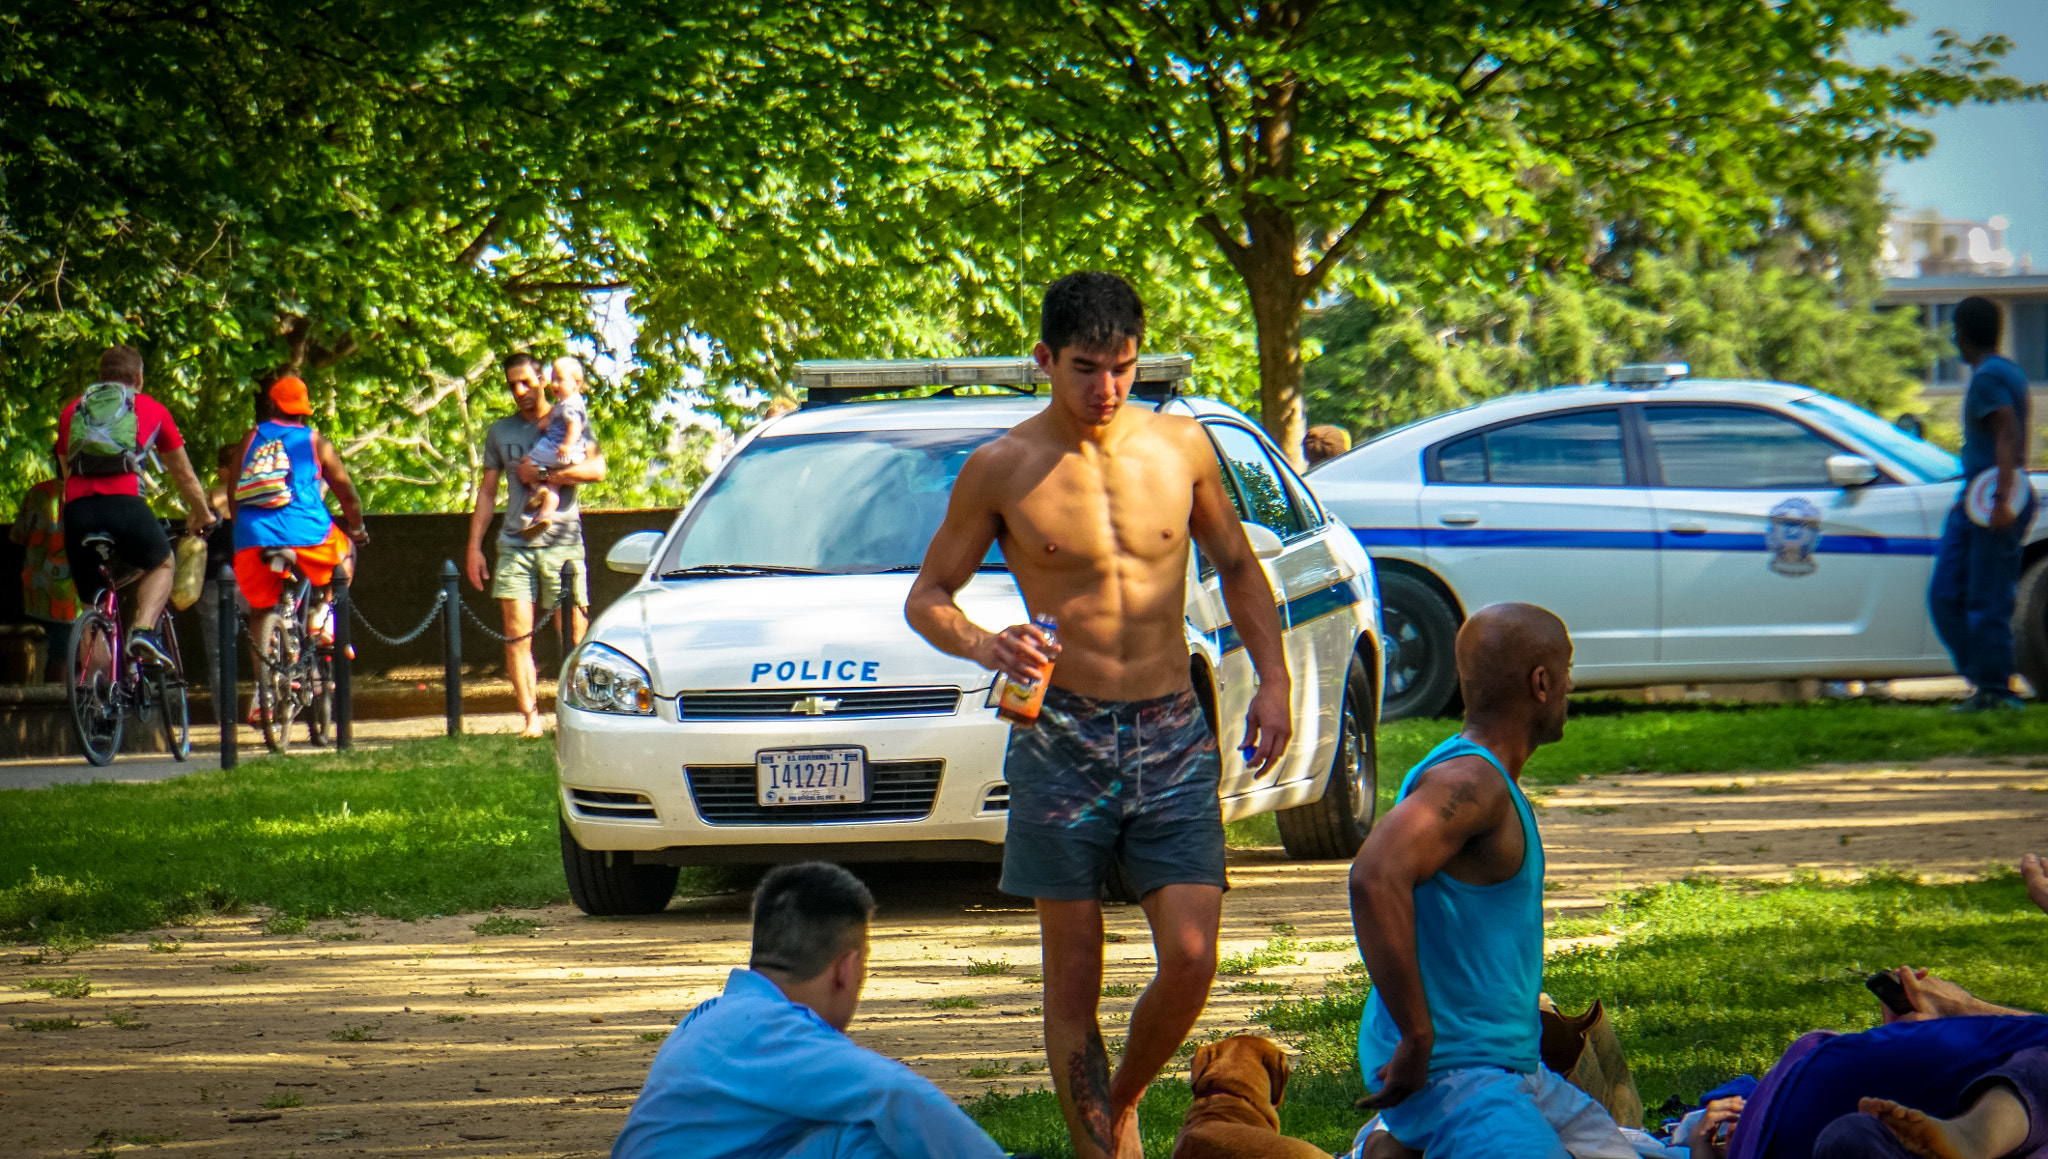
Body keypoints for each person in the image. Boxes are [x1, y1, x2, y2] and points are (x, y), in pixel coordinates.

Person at [906, 271, 1293, 1159]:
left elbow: (1236, 564)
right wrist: (982, 642)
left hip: (1169, 727)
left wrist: (1270, 679)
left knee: (1192, 954)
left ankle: (1117, 1104)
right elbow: (928, 596)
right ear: (1044, 359)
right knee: (1073, 977)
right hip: (1061, 737)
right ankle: (1103, 1149)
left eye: (1122, 366)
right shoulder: (1003, 467)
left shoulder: (1182, 446)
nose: (1106, 388)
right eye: (1085, 367)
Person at [1349, 603, 1639, 1159]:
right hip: (1457, 1074)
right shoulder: (1472, 781)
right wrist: (1416, 1036)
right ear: (1541, 682)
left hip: (1509, 1069)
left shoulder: (1480, 776)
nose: (1571, 684)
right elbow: (1374, 874)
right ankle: (1389, 1145)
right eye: (1567, 669)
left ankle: (1396, 1150)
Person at [611, 862, 1012, 1159]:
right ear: (847, 968)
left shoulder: (719, 1018)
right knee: (864, 1139)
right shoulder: (768, 1029)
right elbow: (894, 1092)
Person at [465, 351, 606, 739]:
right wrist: (474, 545)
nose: (520, 391)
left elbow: (596, 469)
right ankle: (531, 719)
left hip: (563, 542)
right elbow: (488, 490)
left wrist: (544, 472)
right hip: (514, 544)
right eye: (513, 385)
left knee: (575, 633)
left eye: (527, 382)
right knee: (517, 633)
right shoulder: (500, 432)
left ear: (544, 380)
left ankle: (580, 716)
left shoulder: (570, 415)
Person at [54, 344, 216, 665]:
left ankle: (97, 700)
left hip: (77, 513)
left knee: (92, 606)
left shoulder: (72, 411)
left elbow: (66, 475)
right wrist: (202, 514)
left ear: (100, 378)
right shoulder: (150, 408)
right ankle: (143, 630)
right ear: (139, 378)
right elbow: (184, 475)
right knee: (162, 563)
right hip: (124, 507)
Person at [1930, 296, 2035, 713]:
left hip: (1993, 500)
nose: (1953, 338)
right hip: (1977, 497)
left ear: (1962, 333)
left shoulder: (1989, 377)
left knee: (1986, 597)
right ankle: (1988, 682)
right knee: (1947, 595)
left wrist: (2001, 499)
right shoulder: (2003, 370)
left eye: (1954, 330)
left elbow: (2007, 432)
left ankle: (1995, 690)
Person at [228, 375, 368, 650]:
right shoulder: (315, 441)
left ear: (273, 405)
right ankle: (322, 618)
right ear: (304, 409)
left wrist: (243, 531)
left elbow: (235, 493)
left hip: (252, 533)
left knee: (261, 611)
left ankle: (265, 688)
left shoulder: (250, 438)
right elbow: (347, 494)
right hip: (307, 532)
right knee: (347, 551)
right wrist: (357, 527)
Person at [11, 453, 78, 681]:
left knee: (57, 649)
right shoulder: (85, 494)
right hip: (68, 591)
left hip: (35, 589)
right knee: (62, 651)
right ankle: (53, 705)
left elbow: (18, 535)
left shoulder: (38, 493)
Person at [516, 356, 590, 539]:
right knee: (554, 487)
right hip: (568, 456)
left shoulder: (570, 406)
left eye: (560, 379)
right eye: (553, 379)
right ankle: (545, 516)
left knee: (527, 463)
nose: (554, 384)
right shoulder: (568, 404)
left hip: (558, 450)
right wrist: (546, 422)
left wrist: (567, 445)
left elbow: (574, 427)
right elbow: (557, 420)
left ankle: (538, 488)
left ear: (577, 383)